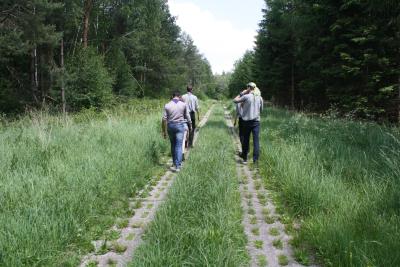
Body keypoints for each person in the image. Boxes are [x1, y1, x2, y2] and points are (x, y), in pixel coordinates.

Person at [233, 82, 263, 164]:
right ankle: (255, 161)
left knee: (246, 140)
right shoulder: (260, 98)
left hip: (247, 122)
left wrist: (241, 93)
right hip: (256, 122)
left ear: (249, 88)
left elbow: (235, 100)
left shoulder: (246, 96)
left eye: (247, 87)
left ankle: (245, 159)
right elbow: (261, 110)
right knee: (256, 141)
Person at [162, 92, 192, 172]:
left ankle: (175, 163)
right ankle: (178, 166)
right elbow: (187, 116)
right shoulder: (183, 104)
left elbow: (164, 119)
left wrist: (164, 131)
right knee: (178, 145)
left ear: (172, 96)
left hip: (170, 126)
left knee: (173, 144)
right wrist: (190, 124)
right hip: (180, 126)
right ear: (179, 96)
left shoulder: (167, 105)